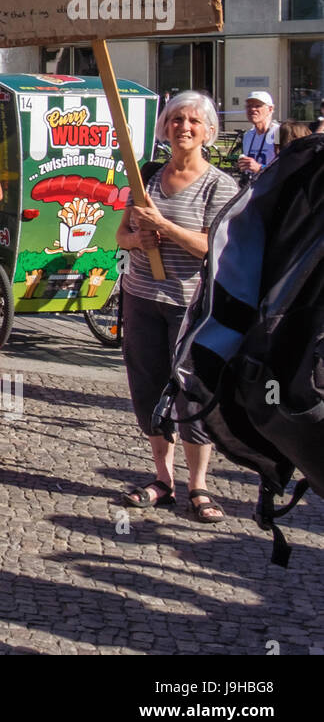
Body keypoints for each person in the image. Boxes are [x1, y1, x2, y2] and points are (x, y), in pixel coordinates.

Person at [116, 91, 238, 522]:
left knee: (191, 392)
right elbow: (122, 235)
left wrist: (163, 226)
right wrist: (138, 239)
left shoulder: (220, 186)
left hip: (190, 306)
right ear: (165, 127)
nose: (183, 127)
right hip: (141, 297)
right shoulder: (146, 176)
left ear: (208, 131)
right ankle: (162, 479)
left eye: (193, 121)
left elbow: (214, 249)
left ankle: (198, 485)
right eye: (176, 120)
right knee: (148, 387)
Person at [236, 91, 279, 182]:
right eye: (249, 106)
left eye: (257, 106)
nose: (252, 109)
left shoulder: (278, 133)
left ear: (270, 109)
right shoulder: (248, 136)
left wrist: (259, 168)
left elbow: (286, 167)